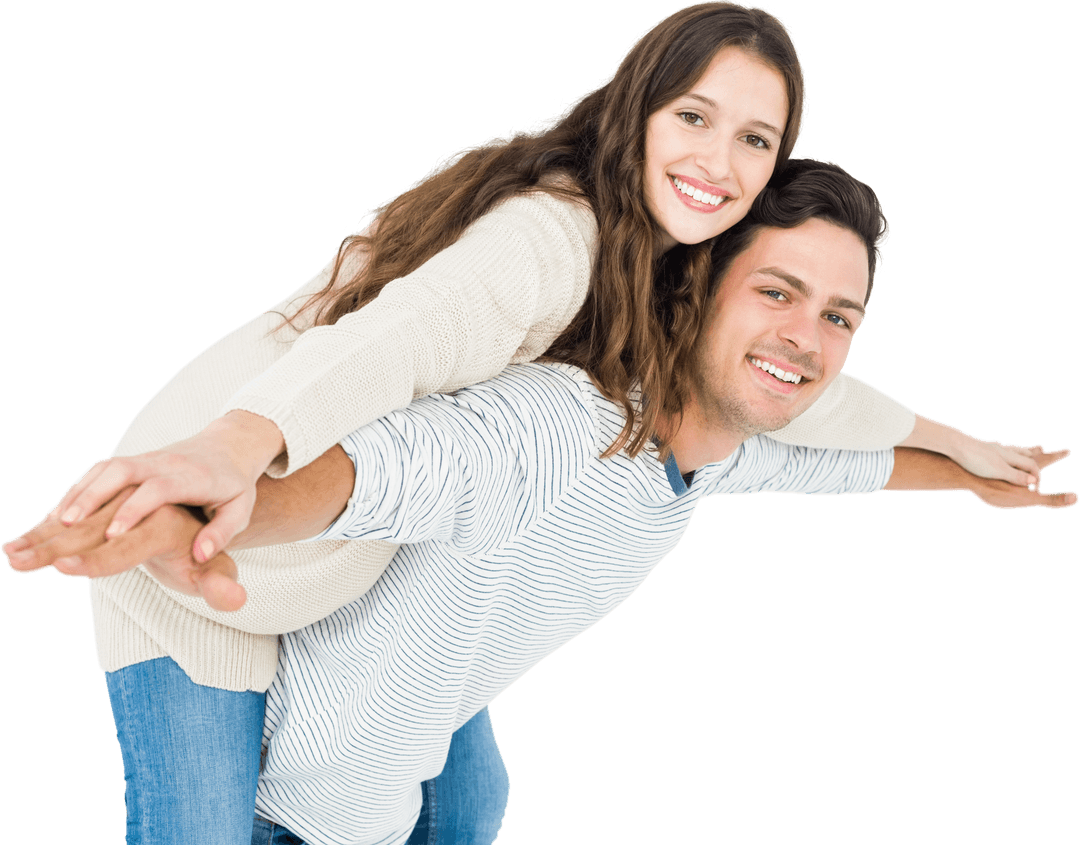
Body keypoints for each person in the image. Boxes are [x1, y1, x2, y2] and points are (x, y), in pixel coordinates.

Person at [3, 3, 1044, 843]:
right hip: (202, 502)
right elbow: (405, 356)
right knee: (216, 817)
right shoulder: (560, 248)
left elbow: (813, 419)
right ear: (636, 109)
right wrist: (222, 464)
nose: (720, 160)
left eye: (756, 138)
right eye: (693, 115)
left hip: (311, 519)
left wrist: (963, 455)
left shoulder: (671, 304)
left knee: (469, 796)